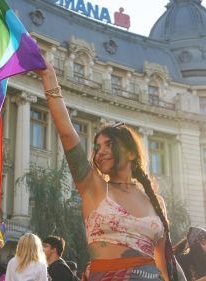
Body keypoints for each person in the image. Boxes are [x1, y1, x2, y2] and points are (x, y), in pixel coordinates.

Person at [35, 62, 178, 280]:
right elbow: (67, 134)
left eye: (108, 144)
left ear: (130, 153)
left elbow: (165, 267)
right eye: (97, 147)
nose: (100, 152)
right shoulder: (95, 188)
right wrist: (49, 77)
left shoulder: (154, 200)